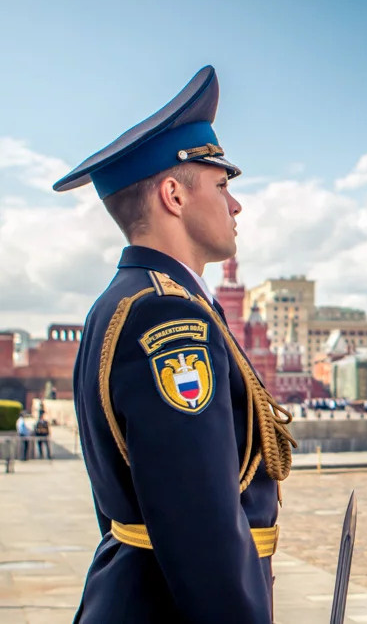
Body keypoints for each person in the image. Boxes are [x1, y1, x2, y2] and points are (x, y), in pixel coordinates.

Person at [55, 67, 296, 623]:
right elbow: (200, 527)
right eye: (221, 186)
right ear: (173, 195)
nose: (236, 206)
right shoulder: (169, 317)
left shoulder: (122, 302)